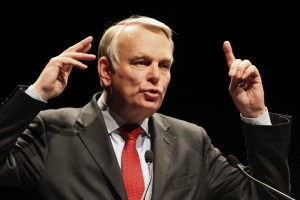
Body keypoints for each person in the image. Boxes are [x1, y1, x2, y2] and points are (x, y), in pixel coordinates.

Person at [0, 15, 293, 200]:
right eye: (141, 62)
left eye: (164, 66)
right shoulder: (53, 131)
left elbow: (269, 196)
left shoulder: (191, 141)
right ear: (105, 71)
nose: (156, 75)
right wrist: (37, 94)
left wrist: (255, 114)